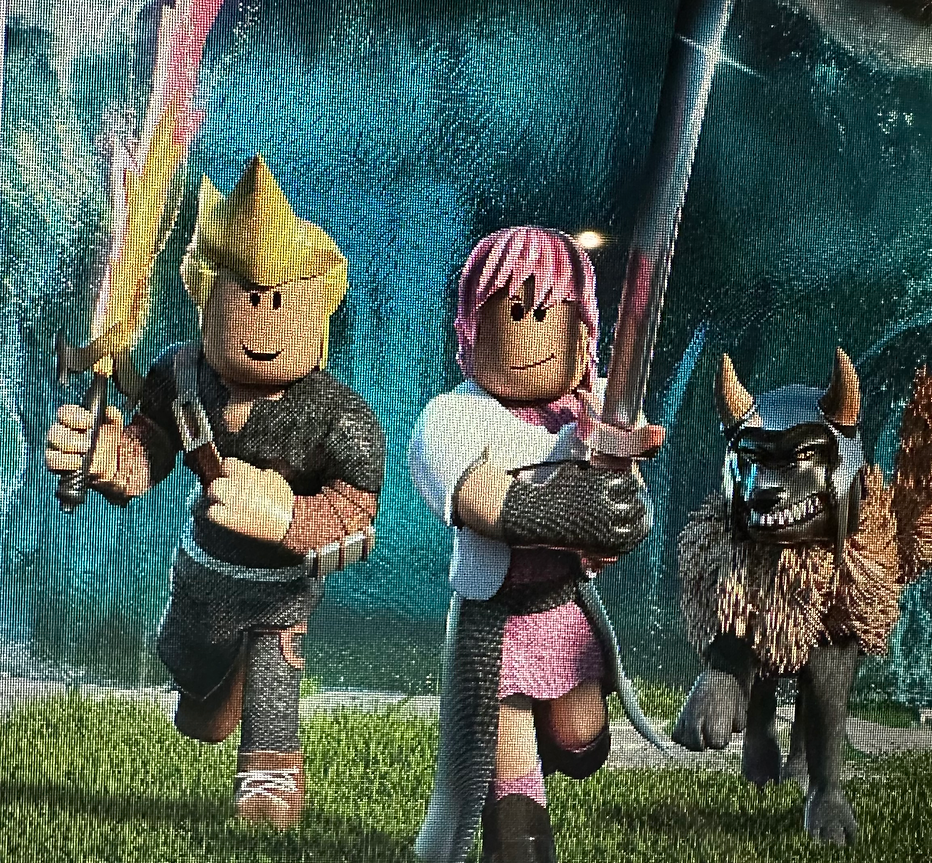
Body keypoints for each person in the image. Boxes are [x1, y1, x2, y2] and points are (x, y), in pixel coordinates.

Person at [45, 155, 385, 828]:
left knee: (273, 673)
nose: (263, 317)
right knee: (200, 714)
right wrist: (106, 457)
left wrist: (289, 517)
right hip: (202, 579)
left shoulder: (339, 417)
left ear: (317, 308)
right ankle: (213, 685)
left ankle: (271, 770)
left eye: (279, 298)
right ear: (209, 298)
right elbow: (146, 453)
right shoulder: (180, 376)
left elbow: (359, 524)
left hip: (280, 590)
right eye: (248, 297)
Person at [409, 225, 661, 863]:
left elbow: (625, 508)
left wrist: (621, 493)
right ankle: (521, 844)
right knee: (505, 748)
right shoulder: (454, 416)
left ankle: (566, 745)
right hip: (494, 622)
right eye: (515, 311)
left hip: (565, 613)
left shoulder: (591, 412)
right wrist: (573, 507)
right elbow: (482, 502)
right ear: (474, 325)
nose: (531, 332)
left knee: (582, 739)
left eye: (549, 313)